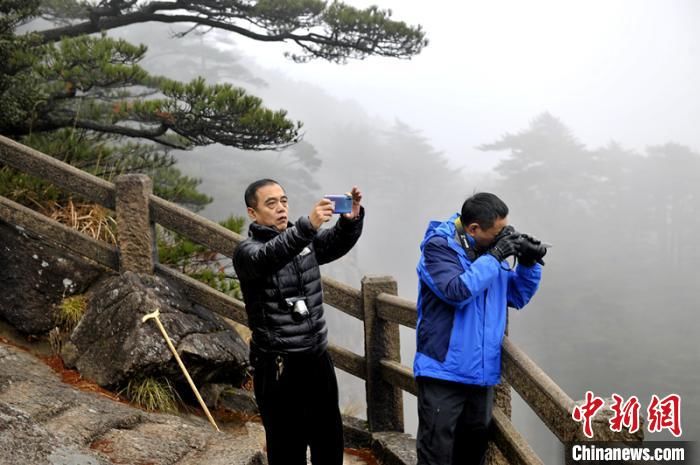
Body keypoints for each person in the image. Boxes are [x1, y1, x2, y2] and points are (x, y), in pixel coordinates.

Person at [232, 179, 364, 465]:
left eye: (284, 201)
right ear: (252, 213)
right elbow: (272, 255)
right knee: (286, 447)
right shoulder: (247, 252)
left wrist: (349, 222)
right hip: (278, 364)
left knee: (328, 442)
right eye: (271, 203)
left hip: (317, 357)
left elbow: (332, 244)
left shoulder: (302, 240)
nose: (280, 208)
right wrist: (308, 227)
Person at [413, 192, 546, 465]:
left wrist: (529, 264)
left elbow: (516, 296)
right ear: (473, 229)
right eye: (497, 233)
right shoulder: (438, 247)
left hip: (480, 375)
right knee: (436, 455)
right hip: (443, 372)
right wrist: (497, 255)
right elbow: (457, 290)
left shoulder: (488, 253)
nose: (501, 238)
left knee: (471, 456)